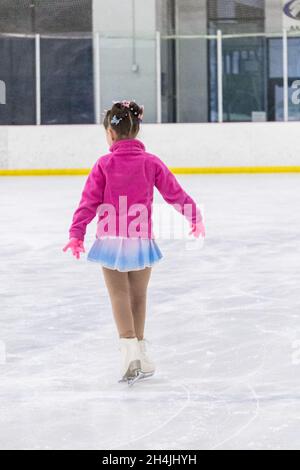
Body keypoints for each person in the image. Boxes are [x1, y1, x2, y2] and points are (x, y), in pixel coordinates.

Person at [63, 100, 205, 386]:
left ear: (111, 134)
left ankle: (129, 351)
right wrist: (194, 216)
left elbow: (88, 202)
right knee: (138, 296)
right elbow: (174, 192)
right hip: (140, 239)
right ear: (136, 130)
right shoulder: (151, 162)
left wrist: (76, 234)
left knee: (119, 295)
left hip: (111, 240)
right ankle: (139, 352)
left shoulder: (104, 163)